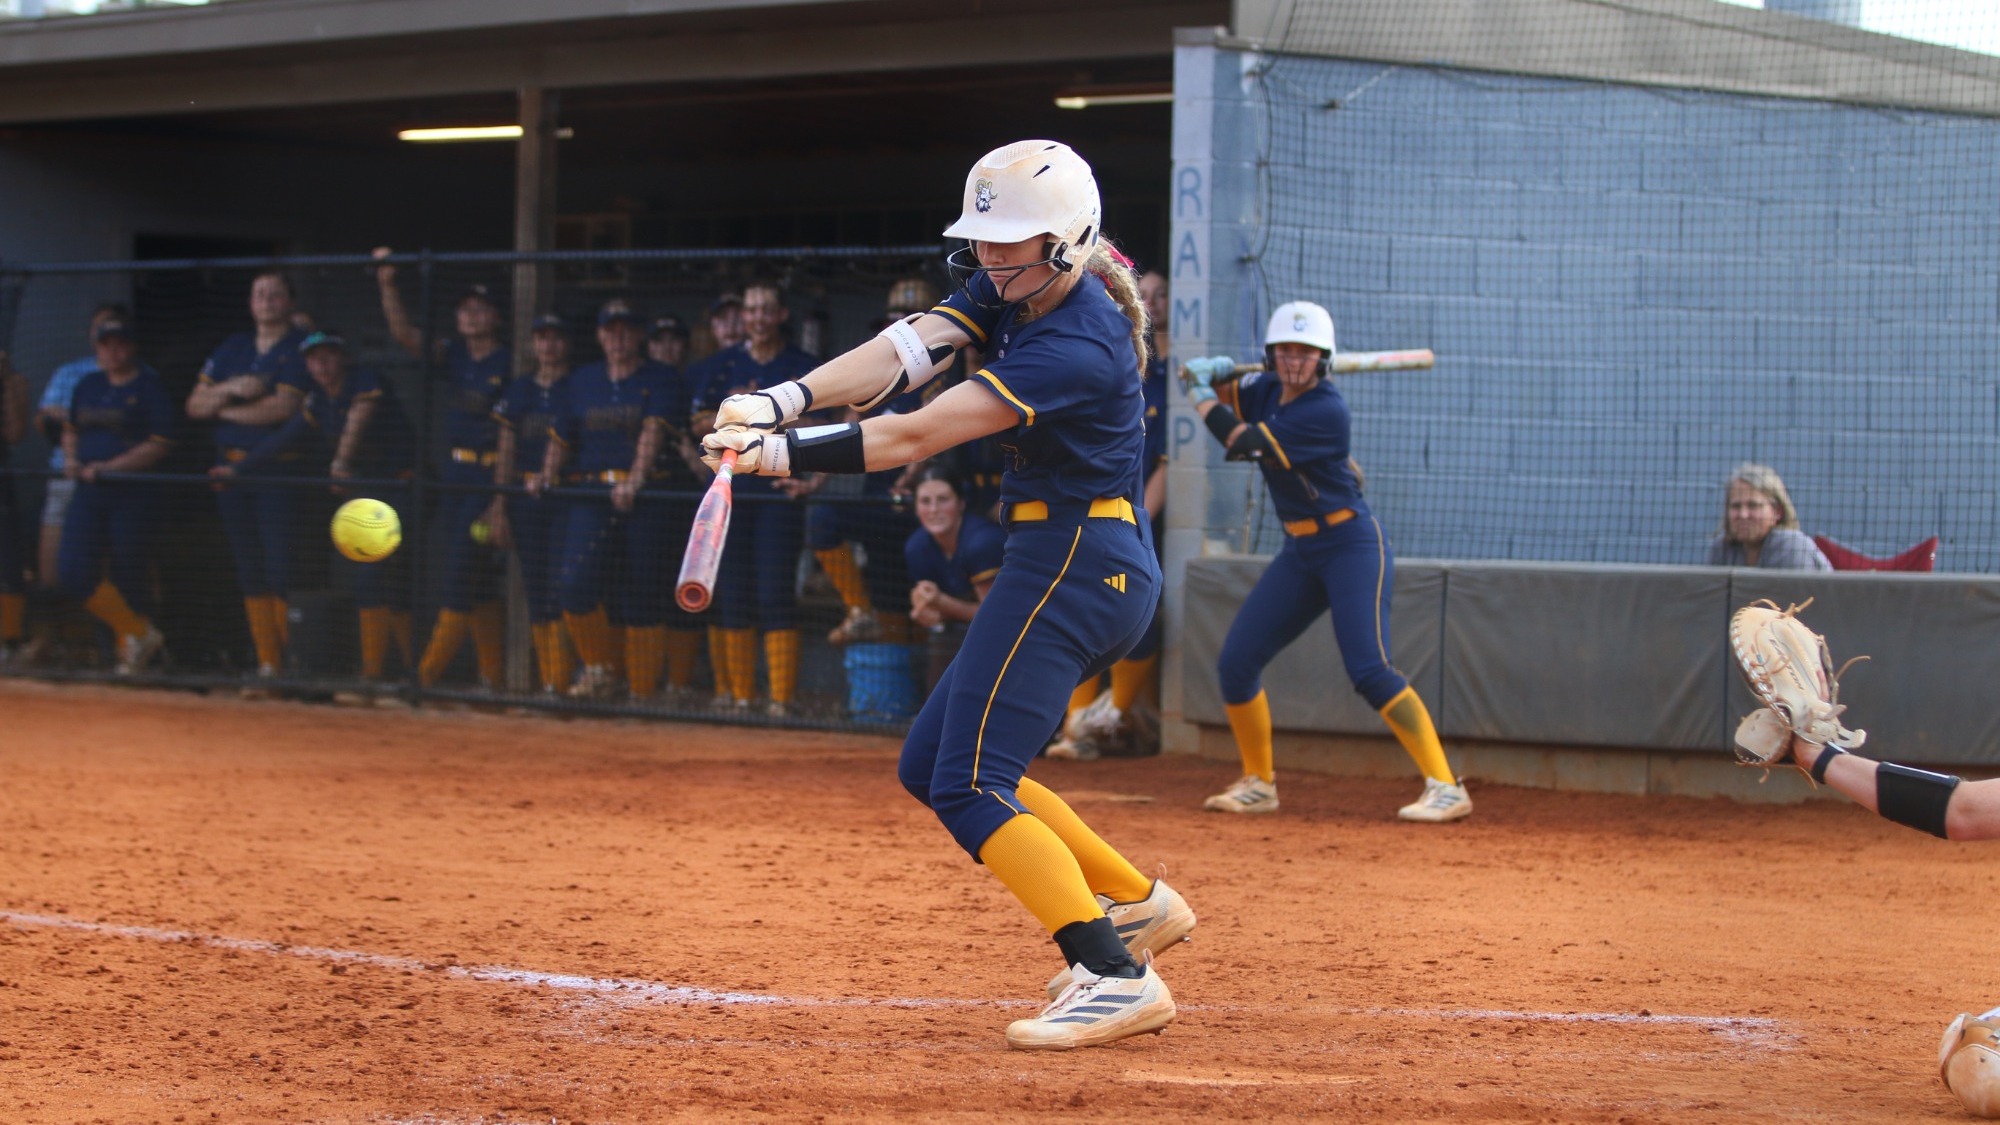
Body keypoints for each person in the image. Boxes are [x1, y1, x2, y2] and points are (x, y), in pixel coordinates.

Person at [702, 140, 1190, 1049]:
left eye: (1017, 240)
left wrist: (779, 452)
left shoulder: (1077, 340)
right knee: (930, 764)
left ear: (1071, 240)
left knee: (971, 779)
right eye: (989, 239)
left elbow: (917, 430)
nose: (995, 255)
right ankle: (1135, 904)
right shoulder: (1016, 284)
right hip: (1061, 553)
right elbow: (904, 353)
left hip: (1080, 561)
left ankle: (1114, 974)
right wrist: (781, 398)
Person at [1182, 302, 1472, 822]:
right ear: (1271, 356)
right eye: (1286, 351)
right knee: (1237, 662)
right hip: (1301, 550)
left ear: (1324, 360)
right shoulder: (1268, 389)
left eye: (1307, 352)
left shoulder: (1327, 411)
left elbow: (1241, 440)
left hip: (1350, 545)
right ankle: (1259, 783)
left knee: (1369, 668)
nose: (1295, 361)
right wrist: (1214, 378)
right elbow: (1235, 402)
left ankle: (1446, 785)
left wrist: (1198, 393)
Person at [227, 331, 416, 694]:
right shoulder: (318, 400)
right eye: (314, 359)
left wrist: (341, 462)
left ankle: (379, 680)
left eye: (329, 356)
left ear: (343, 357)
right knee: (380, 582)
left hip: (403, 486)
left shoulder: (365, 382)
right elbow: (284, 438)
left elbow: (356, 423)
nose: (323, 365)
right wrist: (239, 469)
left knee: (375, 578)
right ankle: (403, 677)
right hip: (368, 494)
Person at [537, 300, 693, 701]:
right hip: (592, 491)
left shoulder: (660, 377)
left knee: (641, 590)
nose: (618, 338)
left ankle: (642, 695)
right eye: (610, 330)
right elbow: (562, 434)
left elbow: (651, 432)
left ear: (639, 336)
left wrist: (635, 480)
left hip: (646, 494)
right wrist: (546, 474)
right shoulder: (583, 379)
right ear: (600, 335)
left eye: (626, 330)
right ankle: (600, 669)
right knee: (574, 585)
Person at [374, 251, 512, 691]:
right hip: (455, 479)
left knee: (458, 577)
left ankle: (423, 679)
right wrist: (387, 283)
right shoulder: (453, 354)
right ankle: (493, 681)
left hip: (487, 481)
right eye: (465, 308)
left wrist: (499, 499)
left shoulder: (508, 362)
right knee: (478, 584)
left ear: (496, 316)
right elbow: (403, 334)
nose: (471, 315)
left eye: (480, 308)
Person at [1051, 268, 1171, 760]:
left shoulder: (1166, 376)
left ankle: (1109, 716)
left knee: (1139, 617)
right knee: (1082, 610)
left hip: (1134, 519)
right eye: (1143, 295)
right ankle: (1076, 725)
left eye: (1160, 297)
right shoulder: (1099, 357)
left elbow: (1171, 463)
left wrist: (1134, 518)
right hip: (1087, 512)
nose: (1151, 304)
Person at [688, 280, 820, 715]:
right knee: (731, 591)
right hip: (729, 492)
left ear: (782, 315)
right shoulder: (721, 364)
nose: (758, 318)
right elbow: (698, 421)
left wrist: (812, 480)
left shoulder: (801, 364)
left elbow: (825, 425)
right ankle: (739, 696)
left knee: (775, 591)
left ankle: (782, 699)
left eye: (766, 309)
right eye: (751, 310)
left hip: (778, 494)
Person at [185, 271, 309, 683]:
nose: (267, 300)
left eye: (276, 293)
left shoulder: (299, 346)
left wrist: (222, 409)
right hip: (228, 470)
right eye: (260, 293)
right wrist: (234, 388)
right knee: (248, 568)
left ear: (290, 301)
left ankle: (293, 663)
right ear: (250, 302)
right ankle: (267, 663)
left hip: (277, 471)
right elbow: (194, 405)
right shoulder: (233, 347)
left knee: (279, 566)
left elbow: (282, 409)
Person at [812, 278, 938, 649]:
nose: (895, 331)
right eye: (890, 324)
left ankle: (922, 678)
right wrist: (814, 482)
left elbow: (931, 437)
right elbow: (843, 438)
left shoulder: (939, 375)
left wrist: (910, 482)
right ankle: (860, 613)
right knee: (826, 522)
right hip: (876, 499)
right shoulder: (875, 379)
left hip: (917, 505)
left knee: (916, 589)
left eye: (905, 323)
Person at [58, 319, 175, 674]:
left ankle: (134, 656)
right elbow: (70, 429)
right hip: (89, 490)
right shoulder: (87, 384)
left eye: (120, 343)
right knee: (73, 569)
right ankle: (138, 633)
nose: (113, 351)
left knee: (130, 567)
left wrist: (111, 467)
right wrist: (71, 459)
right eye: (106, 344)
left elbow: (160, 443)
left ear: (132, 346)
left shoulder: (149, 386)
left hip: (131, 492)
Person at [491, 314, 575, 696]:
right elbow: (505, 448)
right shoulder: (520, 389)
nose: (548, 345)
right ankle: (551, 682)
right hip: (524, 499)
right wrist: (499, 503)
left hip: (566, 498)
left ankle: (569, 681)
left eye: (556, 338)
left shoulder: (576, 386)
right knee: (537, 588)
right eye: (541, 338)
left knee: (565, 587)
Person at [34, 303, 131, 611]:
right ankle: (49, 637)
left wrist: (81, 418)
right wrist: (87, 422)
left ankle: (130, 633)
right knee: (59, 566)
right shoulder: (73, 373)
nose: (108, 338)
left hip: (117, 480)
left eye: (115, 328)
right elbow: (46, 419)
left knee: (121, 562)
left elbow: (135, 424)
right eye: (101, 328)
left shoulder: (142, 377)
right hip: (68, 474)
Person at [902, 464, 1003, 691]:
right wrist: (923, 607)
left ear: (961, 504)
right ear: (916, 508)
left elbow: (994, 617)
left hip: (1007, 635)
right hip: (958, 630)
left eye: (943, 499)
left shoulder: (982, 543)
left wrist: (941, 603)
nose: (934, 509)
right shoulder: (917, 547)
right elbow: (930, 607)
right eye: (925, 501)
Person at [1707, 462, 1831, 570]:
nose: (1743, 515)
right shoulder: (1721, 549)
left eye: (1753, 505)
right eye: (1736, 506)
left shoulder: (1793, 547)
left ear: (1777, 512)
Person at [0, 347, 29, 663]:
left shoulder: (15, 381)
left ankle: (9, 643)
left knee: (7, 560)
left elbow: (15, 432)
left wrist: (5, 379)